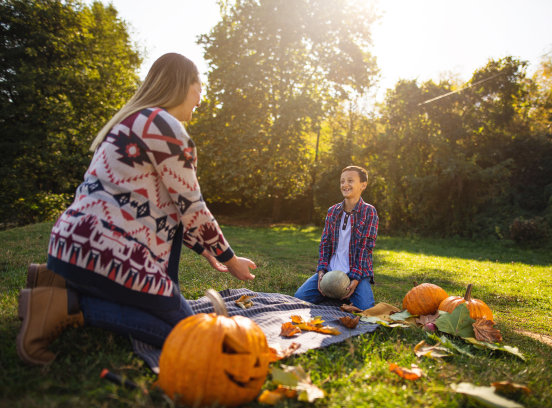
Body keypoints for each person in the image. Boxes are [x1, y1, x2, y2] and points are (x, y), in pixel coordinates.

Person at [16, 53, 257, 365]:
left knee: (165, 307)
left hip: (71, 242)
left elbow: (157, 209)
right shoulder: (164, 126)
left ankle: (56, 279)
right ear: (183, 84)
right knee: (187, 333)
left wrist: (203, 248)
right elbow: (193, 208)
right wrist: (230, 259)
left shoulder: (131, 122)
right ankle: (66, 305)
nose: (201, 98)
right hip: (109, 250)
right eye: (199, 87)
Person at [294, 165, 378, 310]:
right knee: (299, 298)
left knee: (366, 309)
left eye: (350, 181)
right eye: (342, 181)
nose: (345, 184)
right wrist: (321, 271)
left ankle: (339, 297)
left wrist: (356, 279)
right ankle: (335, 296)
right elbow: (325, 243)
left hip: (356, 272)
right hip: (330, 271)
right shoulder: (333, 211)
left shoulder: (369, 212)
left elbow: (366, 248)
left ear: (363, 185)